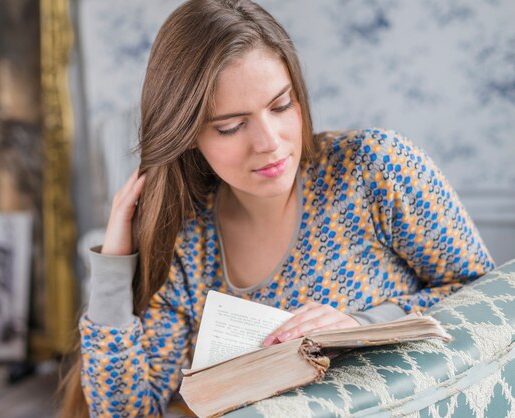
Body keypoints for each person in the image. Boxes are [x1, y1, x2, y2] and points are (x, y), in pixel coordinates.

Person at [59, 0, 495, 416]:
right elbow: (125, 411)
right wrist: (115, 267)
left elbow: (486, 301)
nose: (269, 143)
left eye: (281, 105)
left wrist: (362, 325)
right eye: (231, 127)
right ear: (189, 134)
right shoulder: (189, 244)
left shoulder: (374, 170)